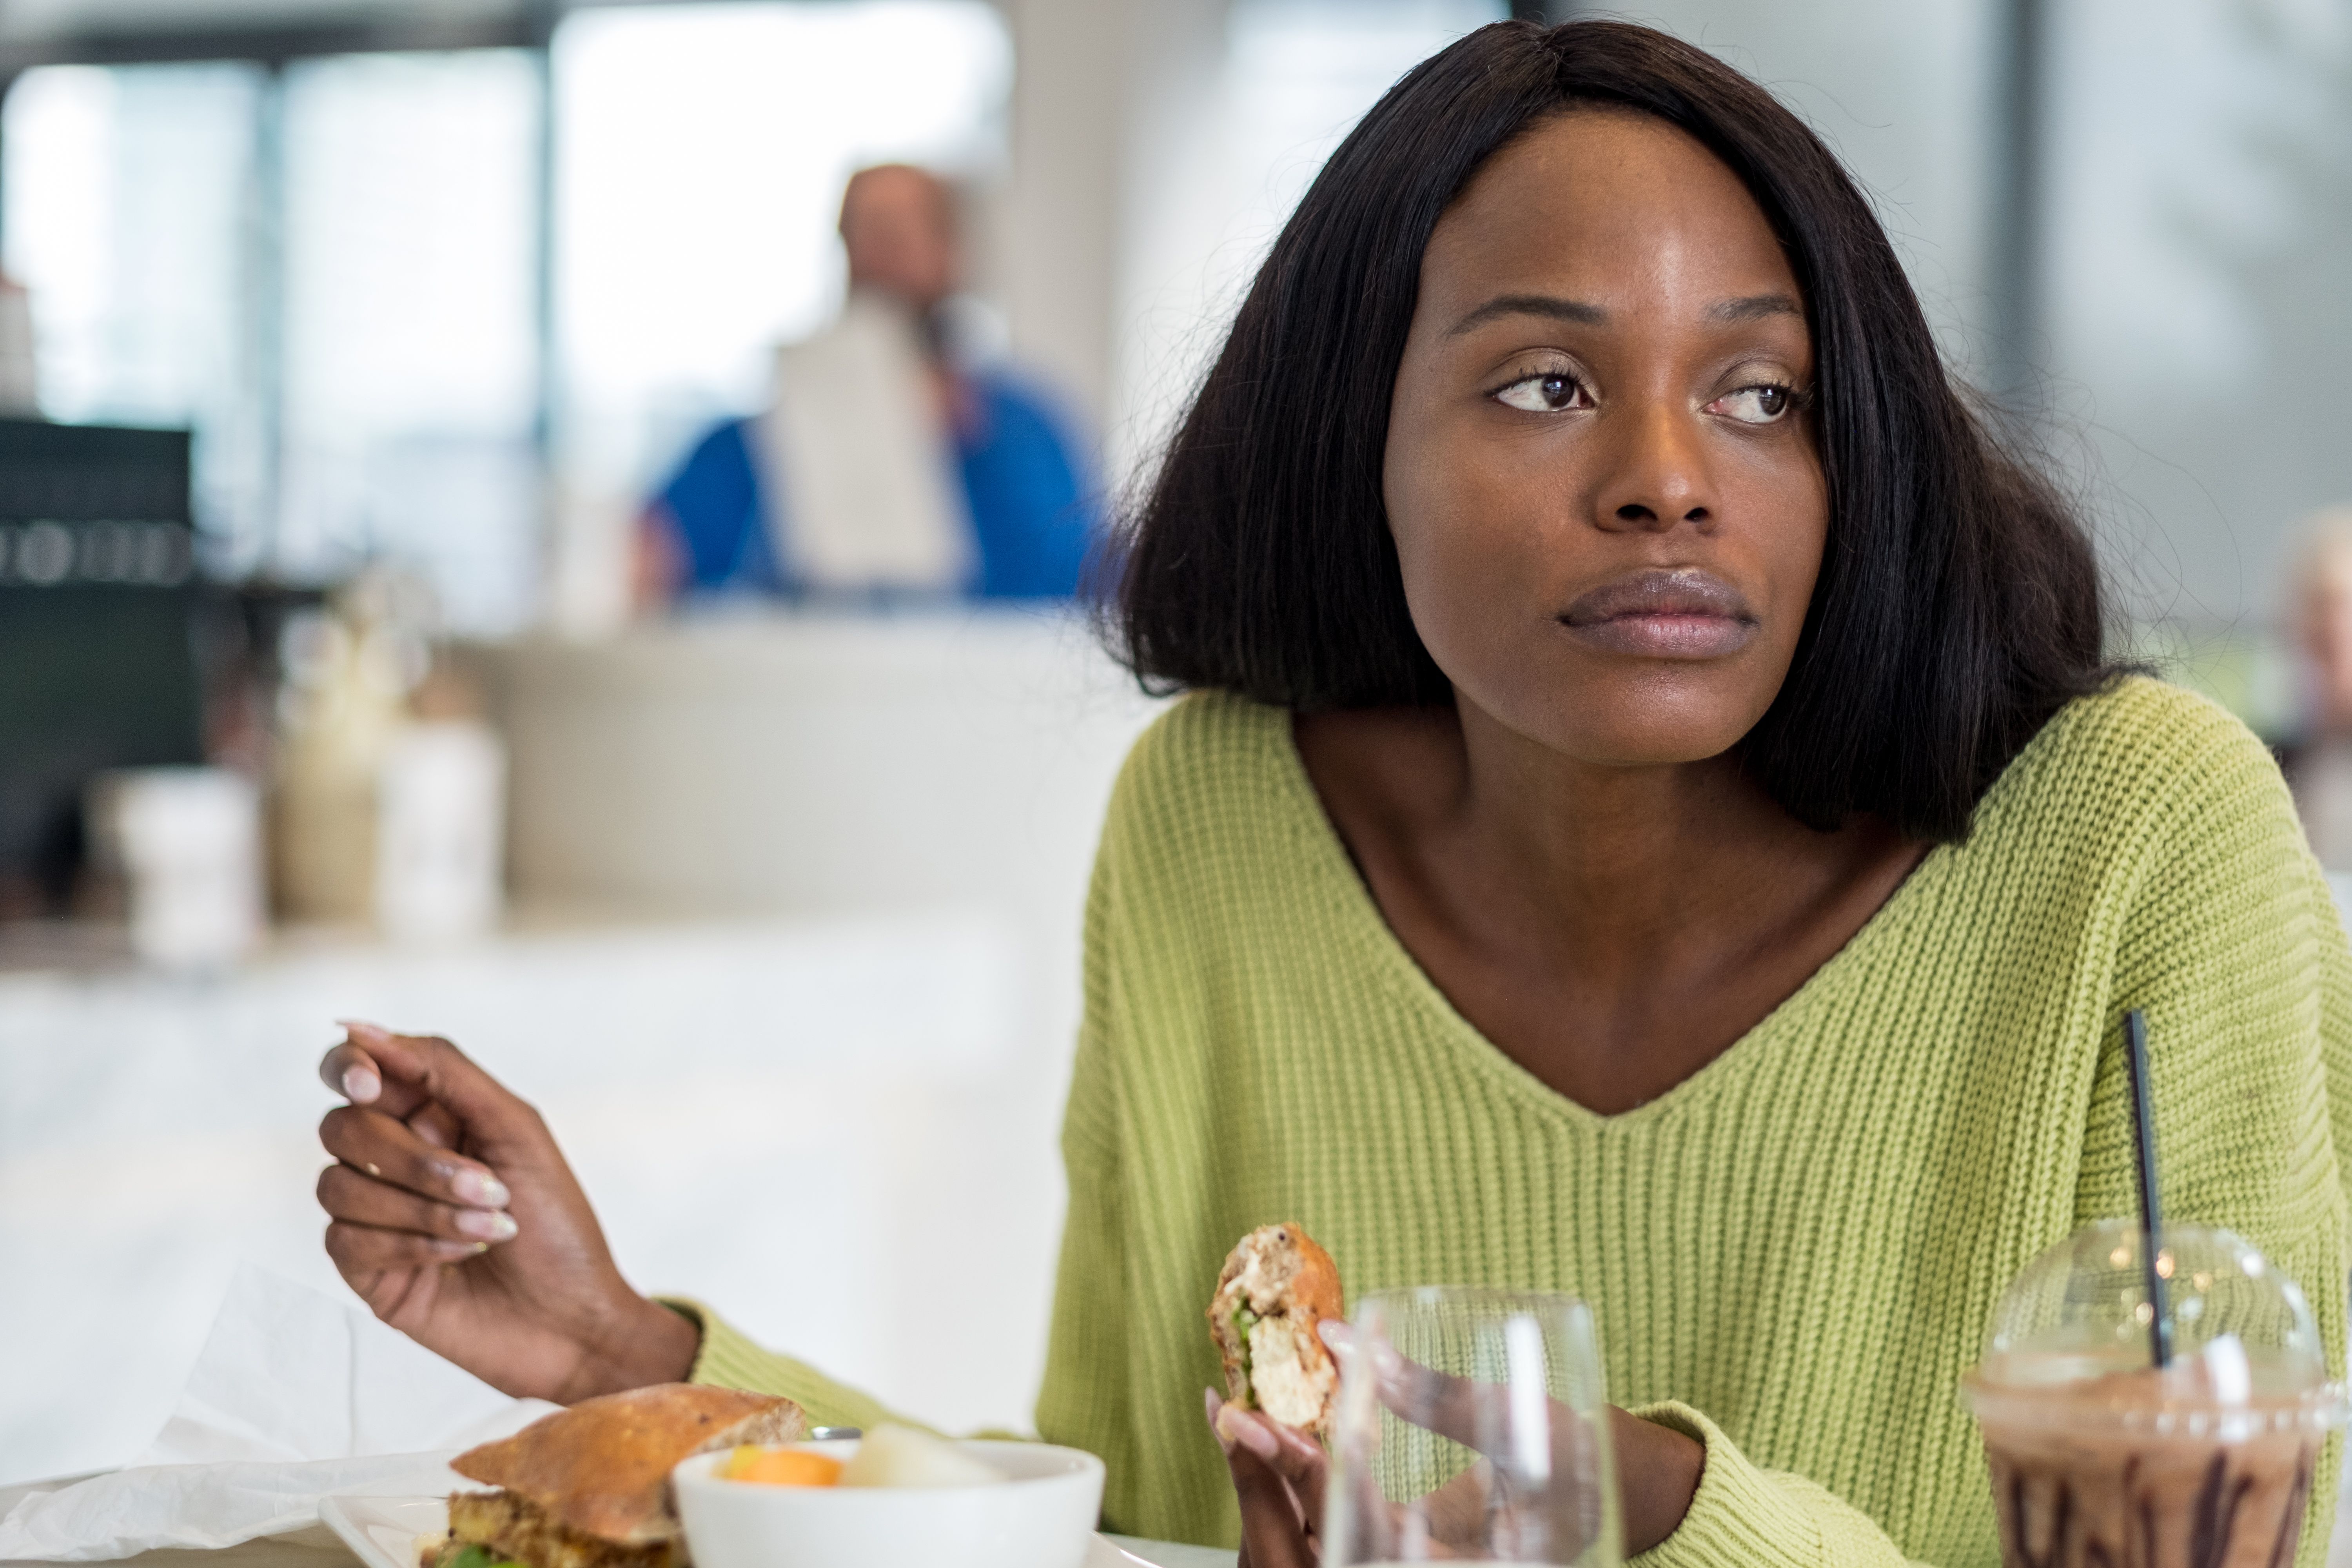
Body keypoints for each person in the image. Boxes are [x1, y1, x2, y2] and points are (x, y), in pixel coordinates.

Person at [310, 20, 2352, 1563]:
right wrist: (629, 1368)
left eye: (1763, 392)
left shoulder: (2135, 840)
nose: (1671, 474)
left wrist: (1642, 1510)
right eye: (1547, 383)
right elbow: (1110, 1520)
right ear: (1346, 444)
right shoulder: (1214, 830)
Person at [635, 163, 1096, 606]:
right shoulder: (758, 439)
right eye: (861, 233)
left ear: (953, 252)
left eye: (899, 234)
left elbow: (1074, 583)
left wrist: (975, 445)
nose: (879, 256)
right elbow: (664, 553)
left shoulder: (1021, 430)